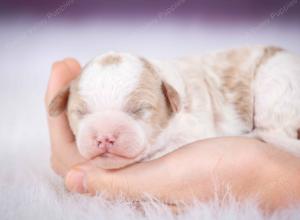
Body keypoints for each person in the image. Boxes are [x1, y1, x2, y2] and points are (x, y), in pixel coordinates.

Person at [45, 58, 300, 212]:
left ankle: (276, 134)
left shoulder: (183, 107)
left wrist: (268, 169)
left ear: (170, 100)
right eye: (82, 113)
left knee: (277, 78)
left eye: (137, 111)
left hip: (270, 66)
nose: (104, 138)